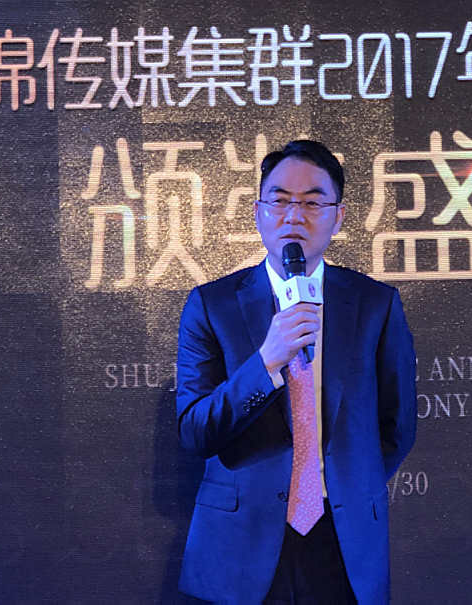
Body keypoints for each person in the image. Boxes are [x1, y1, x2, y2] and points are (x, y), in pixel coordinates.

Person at [176, 140, 417, 604]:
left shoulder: (375, 304)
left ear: (338, 217)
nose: (294, 215)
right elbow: (194, 432)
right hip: (240, 539)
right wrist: (267, 361)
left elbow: (397, 427)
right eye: (281, 200)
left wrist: (346, 485)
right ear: (258, 212)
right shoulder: (211, 305)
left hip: (343, 541)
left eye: (312, 202)